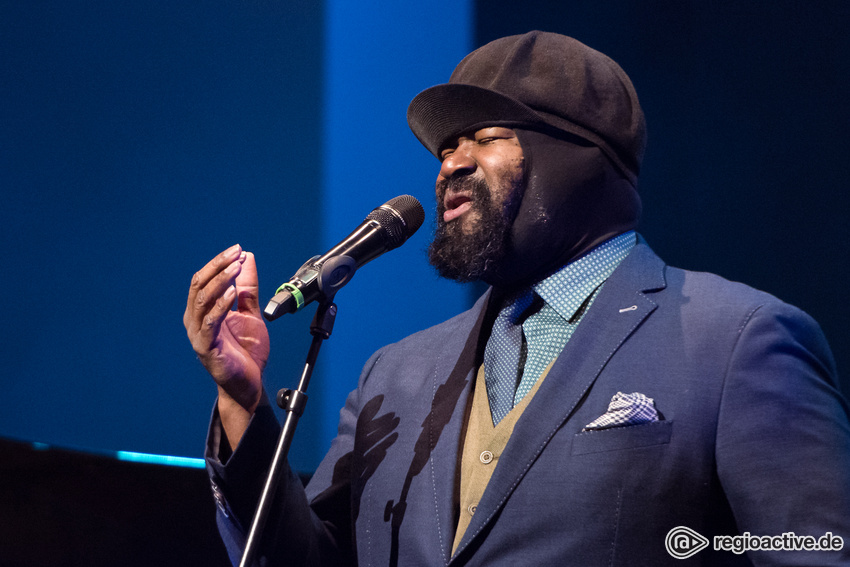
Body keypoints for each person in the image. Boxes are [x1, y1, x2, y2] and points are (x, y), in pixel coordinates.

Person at [184, 31, 850, 566]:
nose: (451, 161)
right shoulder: (395, 375)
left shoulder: (735, 342)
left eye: (486, 135)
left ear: (583, 157)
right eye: (446, 145)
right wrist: (242, 405)